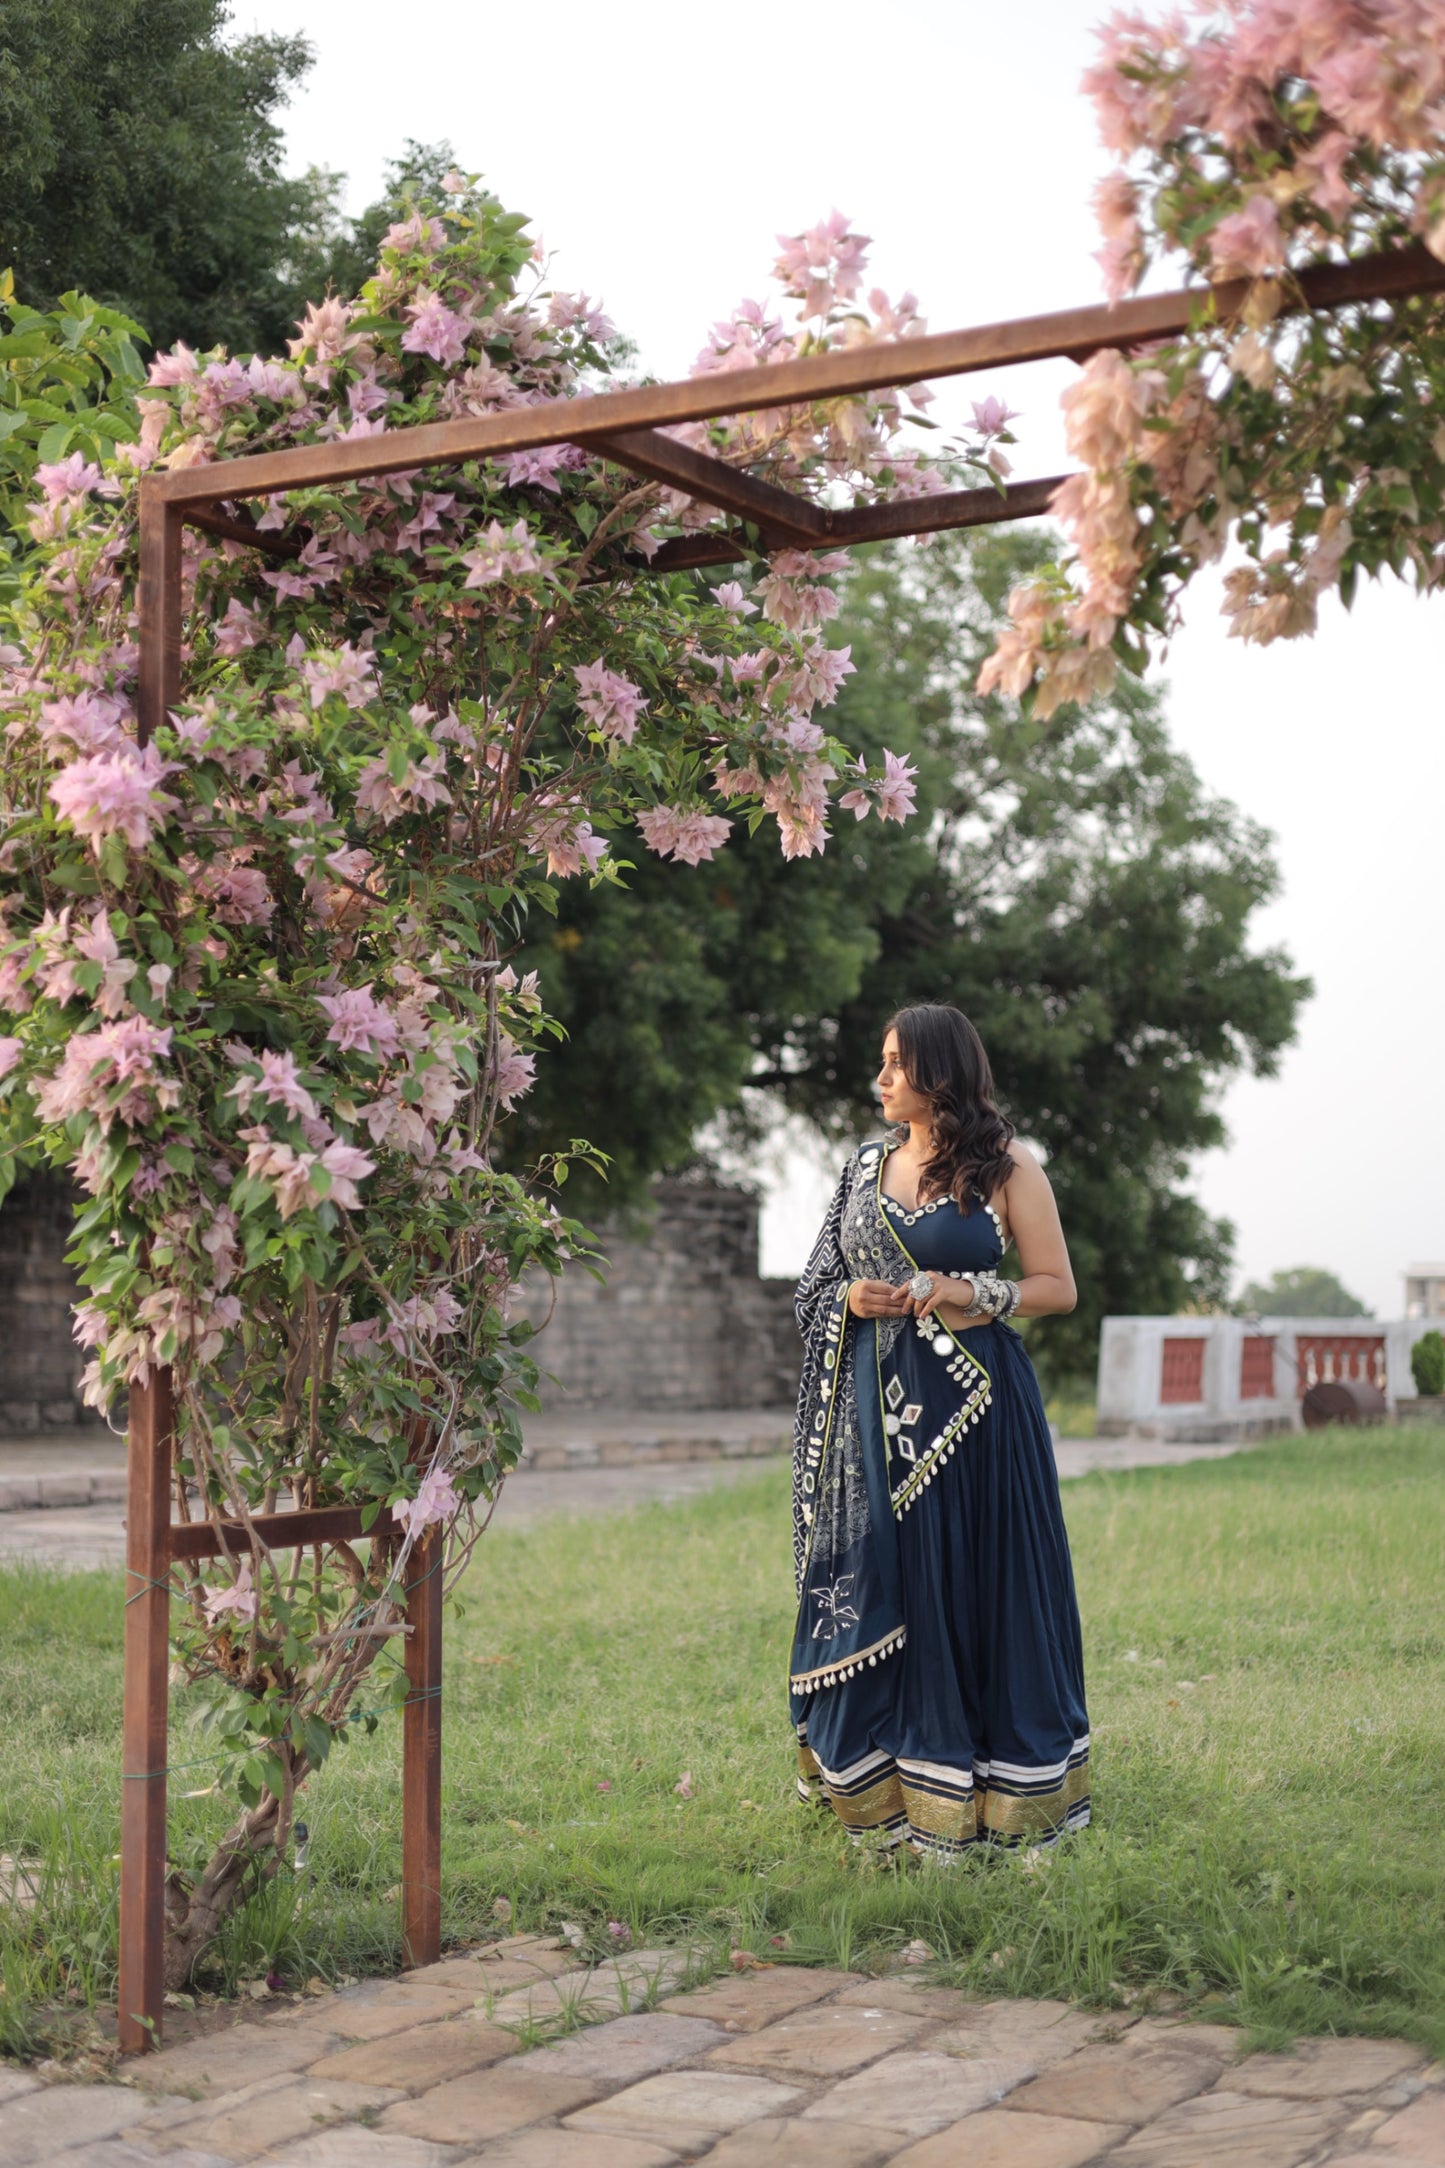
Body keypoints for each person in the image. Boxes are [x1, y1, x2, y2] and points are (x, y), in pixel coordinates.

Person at [790, 1002, 1089, 1855]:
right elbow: (814, 1287)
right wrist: (851, 1298)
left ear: (939, 1074)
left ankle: (992, 1797)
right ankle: (881, 1788)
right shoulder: (860, 1169)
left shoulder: (1005, 1168)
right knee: (888, 1580)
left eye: (894, 1064)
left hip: (976, 1414)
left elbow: (1056, 1286)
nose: (879, 1079)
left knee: (977, 1586)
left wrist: (969, 1293)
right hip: (869, 1418)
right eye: (879, 1063)